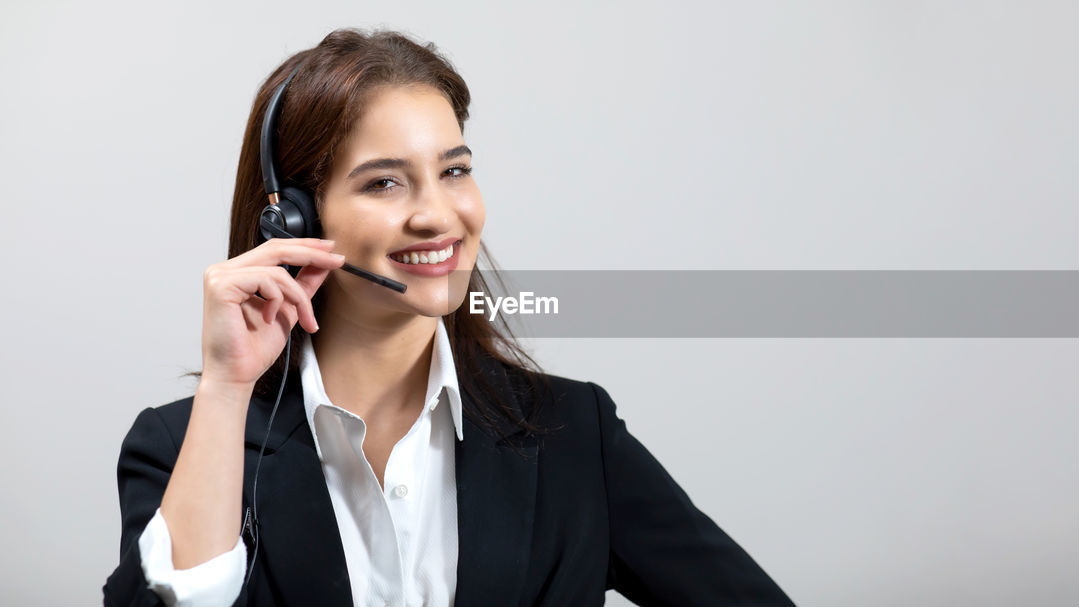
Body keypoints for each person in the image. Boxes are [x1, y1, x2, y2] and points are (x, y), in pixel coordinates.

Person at [103, 27, 794, 607]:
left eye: (454, 170)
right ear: (295, 219)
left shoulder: (575, 437)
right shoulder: (180, 444)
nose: (438, 214)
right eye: (384, 181)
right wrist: (226, 389)